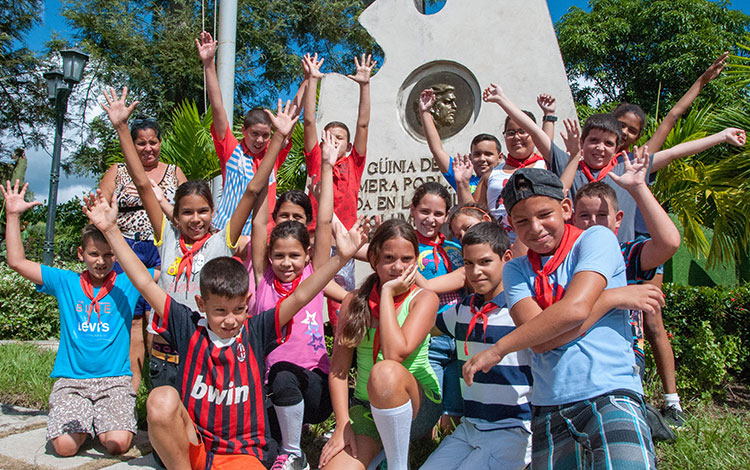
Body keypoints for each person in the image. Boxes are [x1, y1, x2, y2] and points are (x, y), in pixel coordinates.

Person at [81, 187, 367, 470]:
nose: (230, 320)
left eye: (239, 310)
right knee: (161, 398)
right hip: (197, 445)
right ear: (201, 304)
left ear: (248, 303)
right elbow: (144, 282)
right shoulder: (187, 327)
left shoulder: (256, 332)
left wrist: (340, 259)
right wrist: (110, 231)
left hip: (243, 454)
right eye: (220, 311)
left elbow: (301, 295)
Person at [463, 168, 667, 470]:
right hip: (550, 402)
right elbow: (542, 342)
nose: (535, 228)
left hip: (609, 391)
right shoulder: (516, 270)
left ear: (566, 208)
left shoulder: (595, 239)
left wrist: (499, 348)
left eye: (545, 214)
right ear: (510, 225)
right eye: (522, 221)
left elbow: (575, 310)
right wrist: (610, 298)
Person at [100, 86, 298, 390]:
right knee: (163, 416)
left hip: (208, 355)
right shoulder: (166, 237)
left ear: (213, 212)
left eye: (203, 211)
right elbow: (141, 183)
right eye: (188, 213)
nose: (196, 219)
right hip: (167, 356)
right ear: (175, 215)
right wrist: (122, 128)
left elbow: (252, 190)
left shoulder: (222, 242)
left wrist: (280, 139)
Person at [481, 82, 747, 243]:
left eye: (608, 143)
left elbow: (676, 152)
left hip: (620, 259)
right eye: (593, 141)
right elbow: (535, 131)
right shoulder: (566, 163)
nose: (600, 148)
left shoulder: (629, 168)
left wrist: (721, 136)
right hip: (574, 256)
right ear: (582, 142)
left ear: (617, 146)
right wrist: (503, 100)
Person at [2, 180, 148, 457]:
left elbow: (167, 269)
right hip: (72, 380)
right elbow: (17, 262)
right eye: (94, 254)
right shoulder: (65, 282)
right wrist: (13, 216)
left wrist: (113, 227)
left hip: (115, 379)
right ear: (82, 254)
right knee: (65, 448)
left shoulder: (129, 282)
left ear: (117, 256)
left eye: (108, 255)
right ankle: (84, 420)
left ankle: (101, 420)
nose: (101, 261)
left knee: (117, 444)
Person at [572, 148, 683, 437]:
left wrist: (638, 188)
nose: (593, 222)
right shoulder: (566, 258)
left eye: (602, 215)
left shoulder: (625, 253)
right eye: (584, 215)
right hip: (574, 354)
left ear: (617, 219)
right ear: (571, 218)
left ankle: (640, 413)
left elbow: (669, 243)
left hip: (623, 358)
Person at [248, 130, 340, 470]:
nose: (287, 263)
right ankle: (287, 444)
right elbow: (260, 219)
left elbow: (326, 220)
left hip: (316, 387)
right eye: (279, 256)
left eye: (294, 256)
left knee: (288, 374)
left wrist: (327, 164)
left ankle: (295, 452)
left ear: (306, 257)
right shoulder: (262, 280)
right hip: (271, 389)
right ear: (269, 256)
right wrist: (268, 157)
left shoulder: (312, 278)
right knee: (262, 456)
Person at [319, 220, 441, 470]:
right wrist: (343, 425)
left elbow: (395, 354)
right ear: (373, 259)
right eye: (389, 258)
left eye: (407, 259)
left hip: (416, 405)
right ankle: (381, 451)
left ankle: (397, 465)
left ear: (416, 260)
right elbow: (339, 371)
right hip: (366, 407)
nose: (398, 267)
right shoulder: (354, 302)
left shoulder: (425, 299)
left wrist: (386, 294)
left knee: (384, 371)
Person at [419, 221, 533, 470]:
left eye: (485, 262)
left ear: (507, 258)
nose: (476, 271)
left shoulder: (522, 310)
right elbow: (422, 329)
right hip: (470, 428)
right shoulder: (462, 309)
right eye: (468, 263)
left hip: (513, 429)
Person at [99, 116, 187, 391]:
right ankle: (132, 388)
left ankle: (158, 384)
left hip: (164, 248)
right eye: (141, 143)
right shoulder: (118, 171)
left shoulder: (174, 172)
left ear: (161, 143)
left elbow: (188, 210)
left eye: (153, 142)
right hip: (128, 248)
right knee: (135, 319)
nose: (148, 148)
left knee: (158, 316)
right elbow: (99, 210)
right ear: (132, 144)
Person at [196, 31, 303, 233]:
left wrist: (307, 80)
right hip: (226, 232)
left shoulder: (273, 154)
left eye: (266, 135)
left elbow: (292, 116)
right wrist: (209, 64)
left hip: (260, 235)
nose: (260, 140)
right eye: (255, 134)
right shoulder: (230, 148)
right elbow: (217, 108)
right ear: (244, 131)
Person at [410, 182, 465, 429]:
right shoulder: (404, 248)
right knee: (427, 409)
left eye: (438, 213)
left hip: (460, 338)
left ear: (446, 216)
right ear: (412, 210)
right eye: (424, 211)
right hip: (428, 338)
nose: (430, 219)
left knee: (451, 417)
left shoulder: (455, 249)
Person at [418, 88, 503, 195]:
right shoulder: (464, 181)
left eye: (488, 154)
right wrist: (425, 112)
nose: (482, 159)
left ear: (500, 157)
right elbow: (437, 150)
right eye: (477, 154)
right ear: (471, 158)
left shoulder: (507, 180)